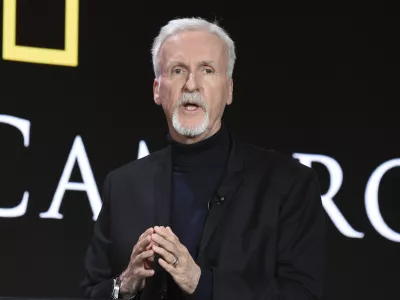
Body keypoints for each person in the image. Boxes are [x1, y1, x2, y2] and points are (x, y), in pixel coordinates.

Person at [80, 17, 325, 300]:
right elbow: (89, 292)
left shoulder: (289, 184)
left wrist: (202, 283)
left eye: (207, 70)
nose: (191, 84)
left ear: (229, 90)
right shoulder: (123, 185)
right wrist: (124, 285)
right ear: (157, 90)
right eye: (178, 70)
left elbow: (302, 294)